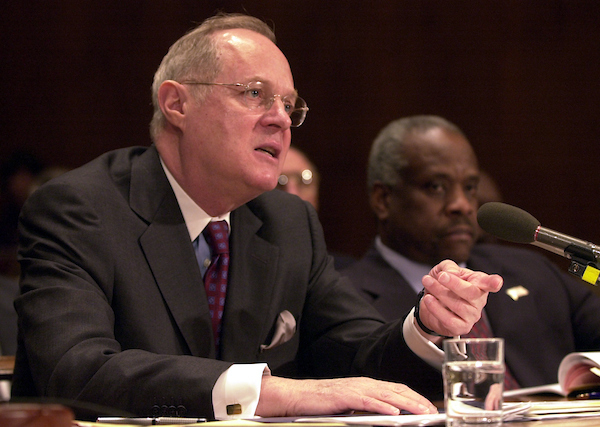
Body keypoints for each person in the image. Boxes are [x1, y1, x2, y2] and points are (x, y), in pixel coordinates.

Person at [12, 16, 502, 420]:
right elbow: (76, 370)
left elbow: (355, 353)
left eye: (288, 105)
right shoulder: (79, 208)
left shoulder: (288, 223)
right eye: (254, 94)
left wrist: (427, 324)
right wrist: (276, 393)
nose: (280, 119)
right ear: (177, 103)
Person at [341, 115, 600, 393]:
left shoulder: (530, 269)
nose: (462, 205)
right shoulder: (344, 296)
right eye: (436, 186)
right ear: (384, 200)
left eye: (470, 188)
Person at [277, 146, 355, 269]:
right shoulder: (240, 269)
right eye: (279, 182)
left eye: (304, 181)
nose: (293, 194)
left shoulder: (346, 272)